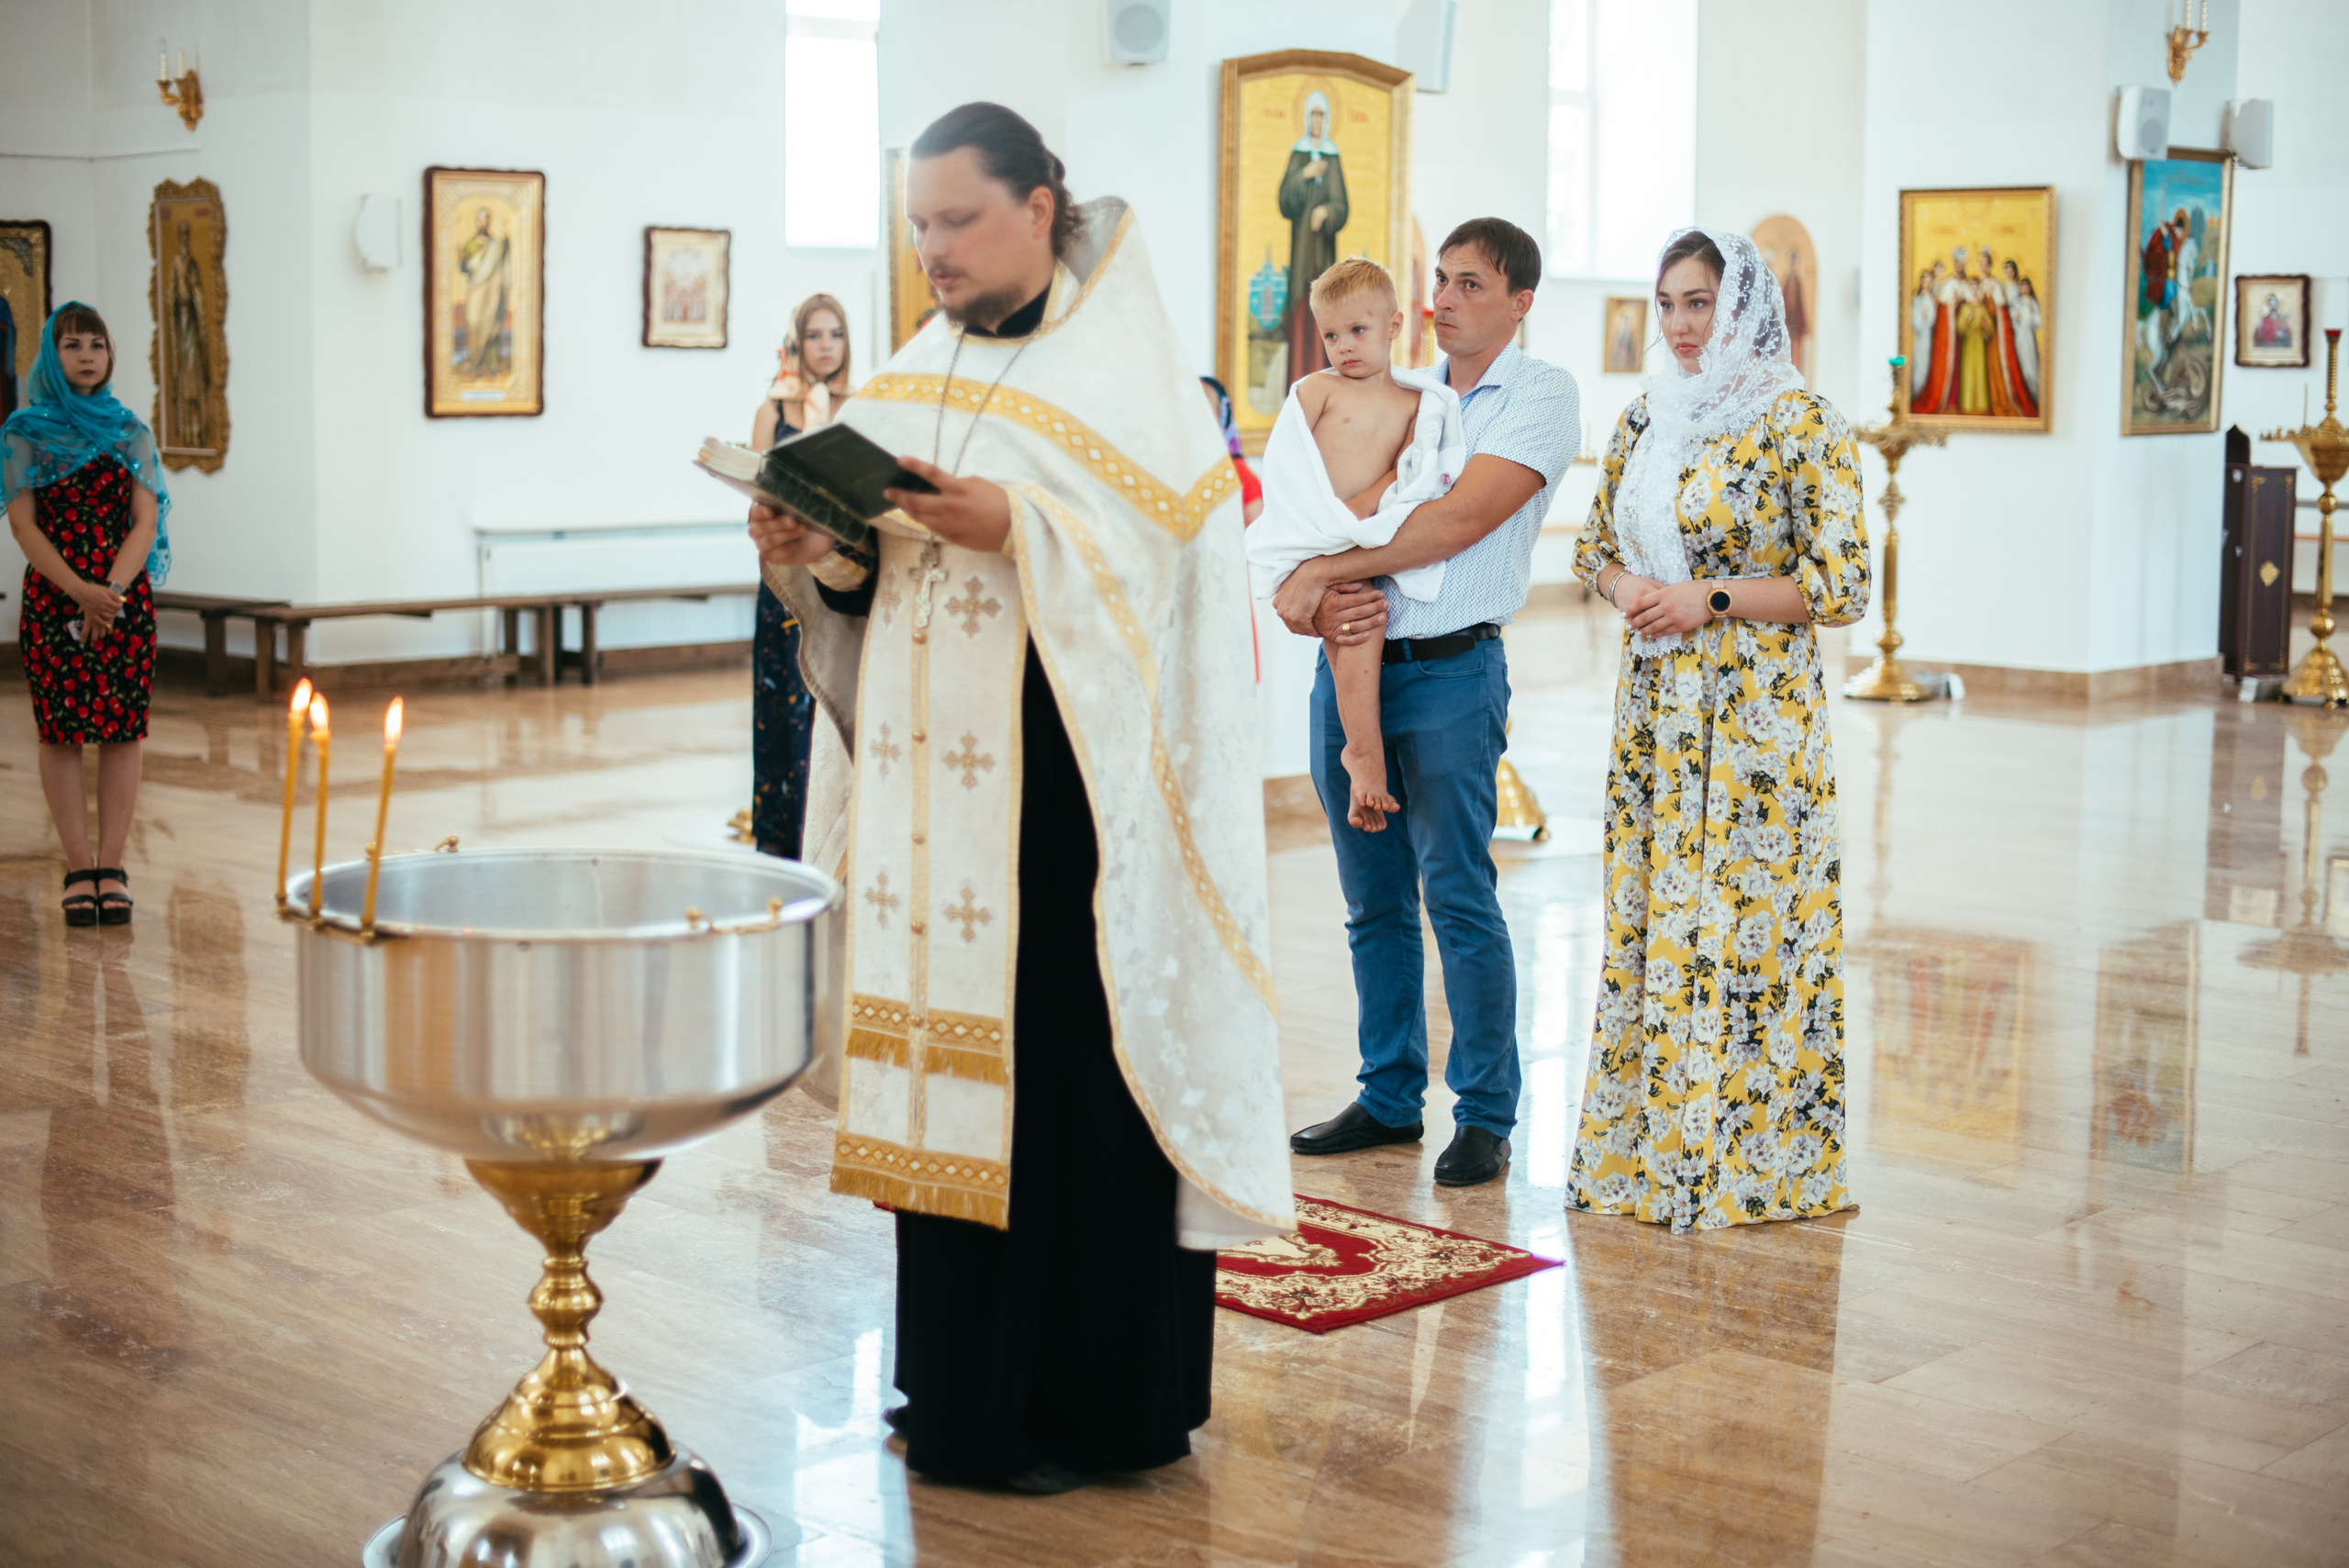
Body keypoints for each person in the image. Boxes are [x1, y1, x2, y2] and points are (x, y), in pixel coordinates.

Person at [746, 102, 1291, 1494]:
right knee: (949, 1086)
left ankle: (1100, 1405)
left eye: (957, 220)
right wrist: (815, 549)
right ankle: (966, 1391)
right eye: (917, 224)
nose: (931, 249)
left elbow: (1172, 579)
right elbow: (876, 592)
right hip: (936, 825)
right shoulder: (915, 373)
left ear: (1040, 204)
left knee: (1065, 1093)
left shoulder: (1132, 379)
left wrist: (1024, 529)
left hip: (1074, 821)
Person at [1568, 228, 1867, 1234]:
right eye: (1667, 304)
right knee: (1657, 917)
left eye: (1700, 303)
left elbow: (1841, 583)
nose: (1682, 325)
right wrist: (1630, 588)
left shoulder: (1799, 421)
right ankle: (1652, 1151)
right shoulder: (1648, 414)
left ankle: (1754, 1158)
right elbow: (1593, 546)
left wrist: (1711, 598)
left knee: (1748, 925)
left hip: (1753, 723)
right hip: (1655, 713)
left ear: (1743, 308)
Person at [1270, 217, 1579, 1189]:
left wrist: (1323, 568)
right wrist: (1303, 589)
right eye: (1437, 281)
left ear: (1519, 299)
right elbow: (1312, 504)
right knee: (1371, 898)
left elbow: (1453, 521)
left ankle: (1484, 1110)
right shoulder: (1389, 391)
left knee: (1456, 891)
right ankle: (1389, 1093)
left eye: (1470, 283)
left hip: (1450, 669)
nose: (1443, 299)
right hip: (1351, 659)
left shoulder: (1541, 394)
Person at [1248, 256, 1466, 833]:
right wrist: (1323, 530)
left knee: (1362, 621)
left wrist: (1360, 518)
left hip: (1360, 536)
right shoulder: (1317, 390)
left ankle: (1361, 751)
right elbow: (1286, 465)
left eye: (1358, 331)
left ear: (1394, 326)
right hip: (1310, 533)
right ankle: (1363, 754)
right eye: (1330, 335)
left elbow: (1408, 477)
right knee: (1354, 621)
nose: (1343, 346)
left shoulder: (1416, 404)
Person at [4, 303, 171, 927]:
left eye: (96, 344)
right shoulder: (25, 433)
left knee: (123, 729)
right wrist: (80, 590)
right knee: (61, 731)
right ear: (52, 354)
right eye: (72, 344)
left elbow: (145, 520)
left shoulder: (131, 431)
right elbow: (22, 523)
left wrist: (111, 593)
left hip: (123, 600)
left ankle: (113, 866)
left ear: (110, 354)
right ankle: (78, 867)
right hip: (55, 597)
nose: (86, 355)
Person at [744, 294, 853, 858]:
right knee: (784, 705)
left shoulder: (860, 406)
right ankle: (782, 839)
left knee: (830, 700)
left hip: (840, 576)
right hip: (786, 579)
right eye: (815, 335)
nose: (826, 345)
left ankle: (834, 833)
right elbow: (755, 493)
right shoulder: (775, 411)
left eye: (835, 334)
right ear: (797, 342)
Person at [1277, 91, 1349, 384]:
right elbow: (1285, 200)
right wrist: (1305, 173)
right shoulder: (1299, 154)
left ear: (1327, 119)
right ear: (1306, 119)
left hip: (1324, 254)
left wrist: (1327, 213)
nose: (1316, 120)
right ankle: (1297, 380)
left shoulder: (1333, 155)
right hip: (1302, 252)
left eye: (1321, 114)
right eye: (1312, 114)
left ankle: (1323, 381)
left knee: (1324, 314)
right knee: (1300, 314)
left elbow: (1342, 205)